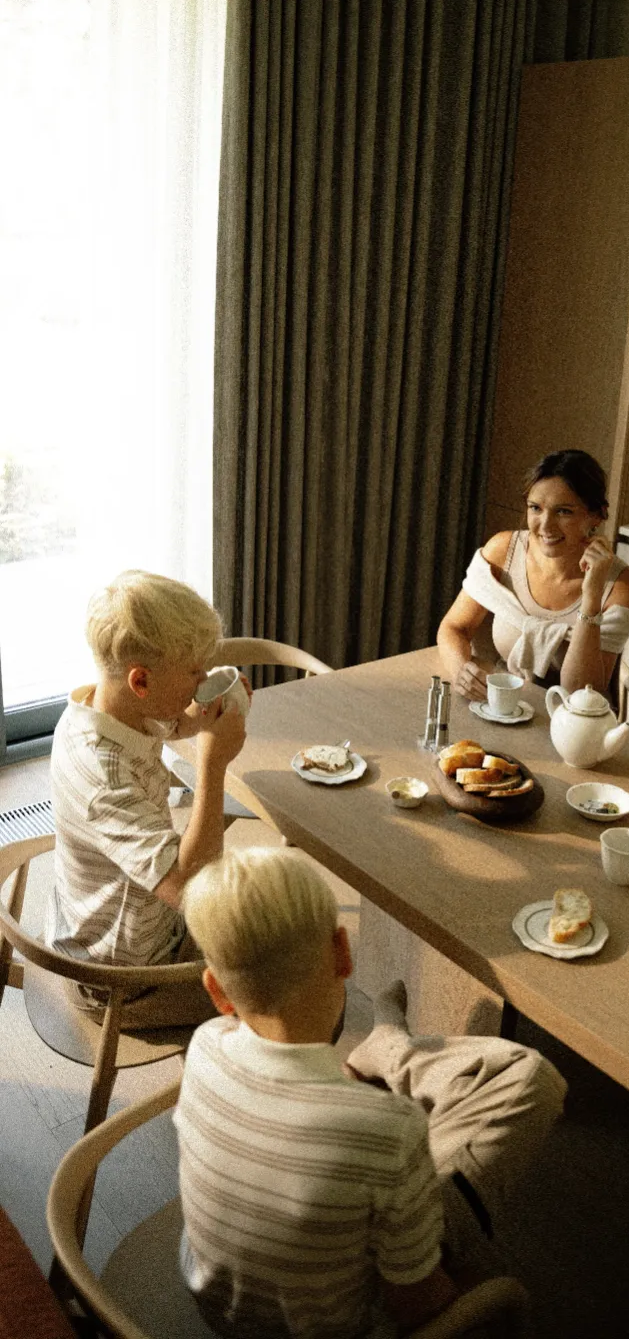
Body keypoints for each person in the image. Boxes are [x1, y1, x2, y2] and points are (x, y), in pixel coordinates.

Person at [175, 845, 566, 1338]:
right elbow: (415, 1307)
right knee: (531, 1077)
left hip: (217, 1307)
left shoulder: (205, 1044)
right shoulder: (388, 1130)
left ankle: (387, 1048)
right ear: (343, 952)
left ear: (216, 990)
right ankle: (391, 1048)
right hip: (334, 1325)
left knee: (387, 1153)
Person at [47, 569, 246, 1027]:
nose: (202, 679)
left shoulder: (102, 708)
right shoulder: (106, 780)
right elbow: (191, 890)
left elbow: (168, 721)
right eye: (193, 672)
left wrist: (203, 712)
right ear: (141, 682)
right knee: (293, 987)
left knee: (272, 916)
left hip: (109, 923)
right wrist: (212, 765)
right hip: (124, 976)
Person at [437, 448, 629, 702]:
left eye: (564, 511)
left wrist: (591, 595)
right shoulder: (503, 552)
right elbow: (454, 627)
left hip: (574, 718)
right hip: (507, 704)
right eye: (535, 508)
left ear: (596, 516)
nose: (545, 526)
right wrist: (461, 671)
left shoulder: (622, 585)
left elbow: (579, 691)